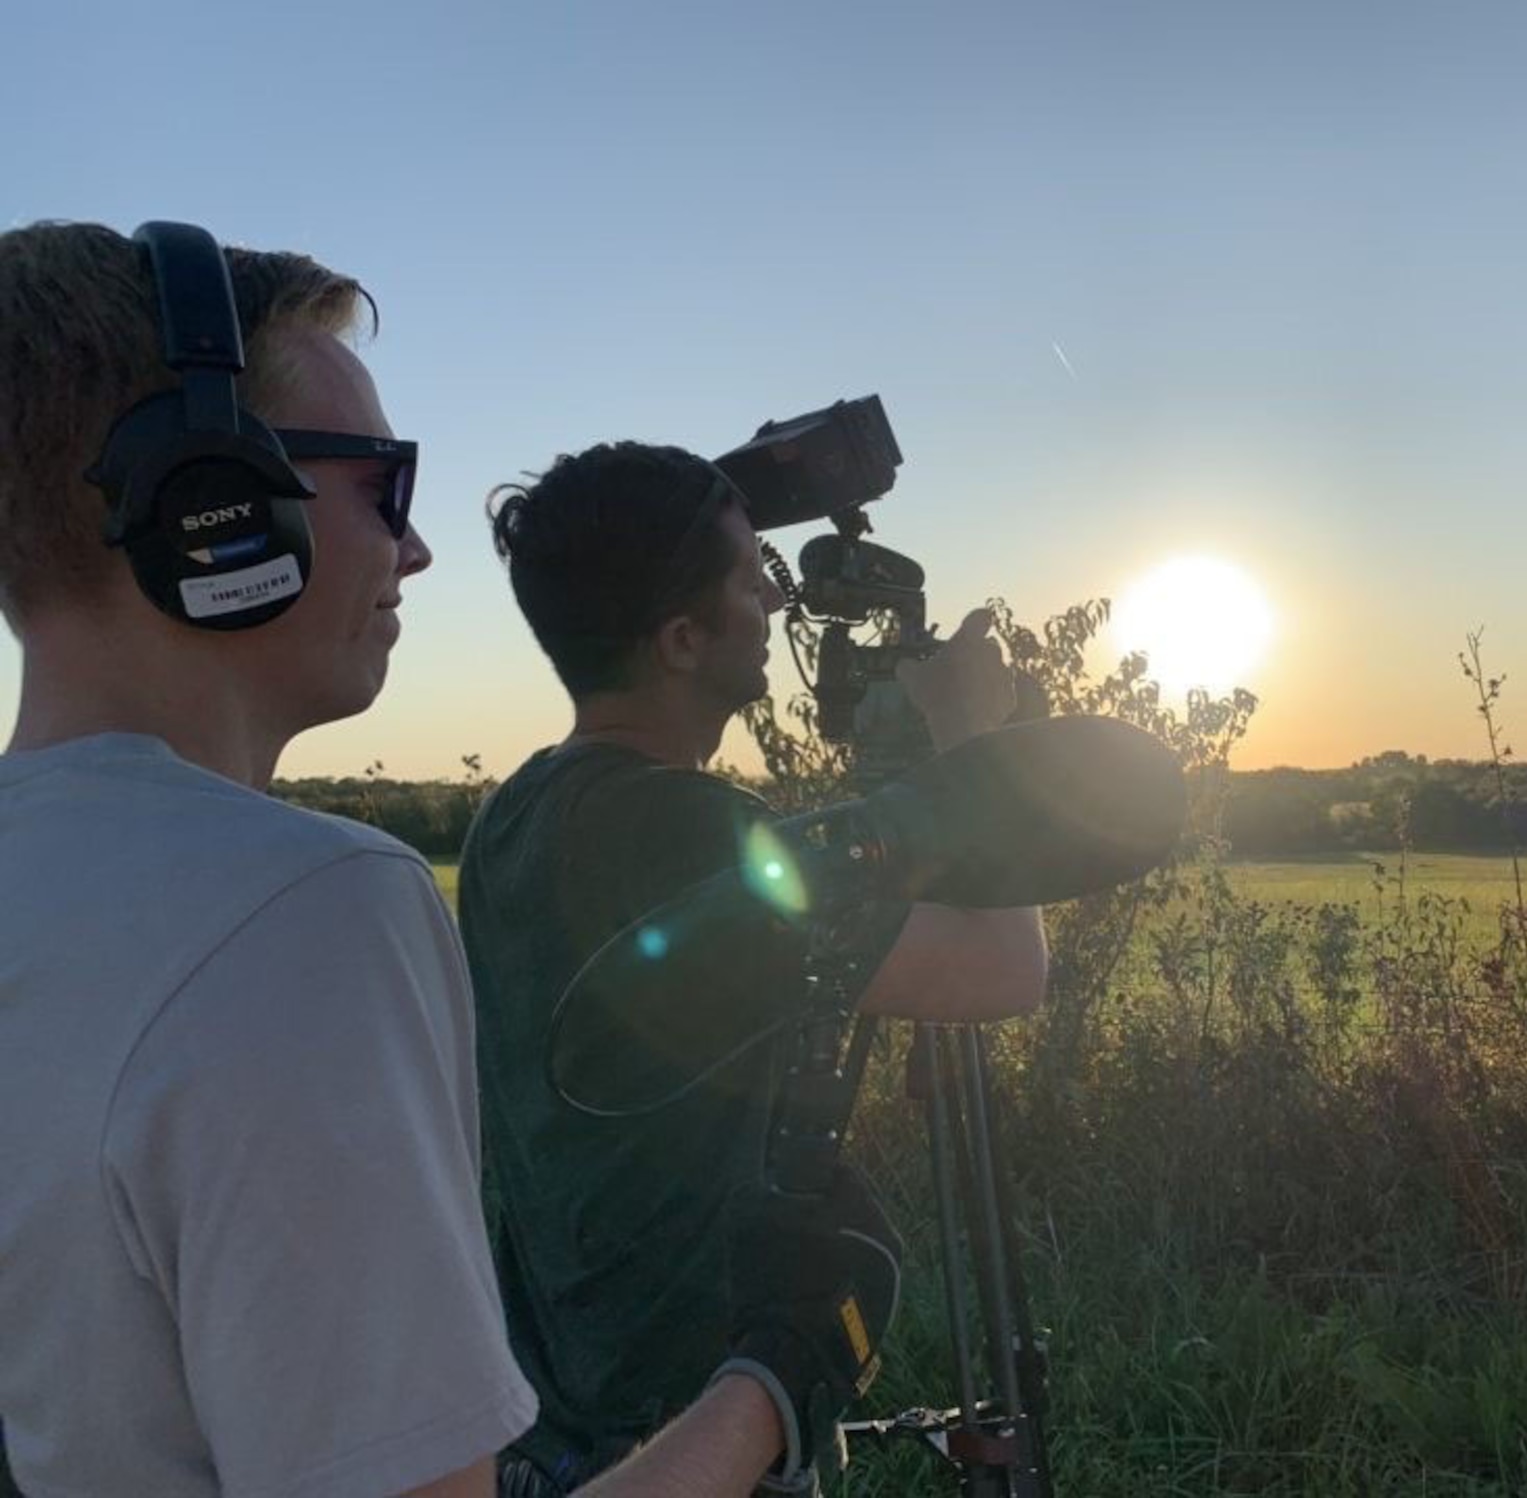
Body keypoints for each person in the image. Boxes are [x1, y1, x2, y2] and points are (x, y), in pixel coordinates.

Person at [0, 220, 891, 1498]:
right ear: (211, 502)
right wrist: (774, 1383)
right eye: (382, 484)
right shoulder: (296, 912)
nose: (412, 548)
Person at [459, 441, 1049, 1490]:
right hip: (691, 1432)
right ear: (681, 639)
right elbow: (1003, 969)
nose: (774, 607)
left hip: (555, 1419)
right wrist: (972, 736)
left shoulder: (520, 809)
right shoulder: (677, 832)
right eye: (749, 581)